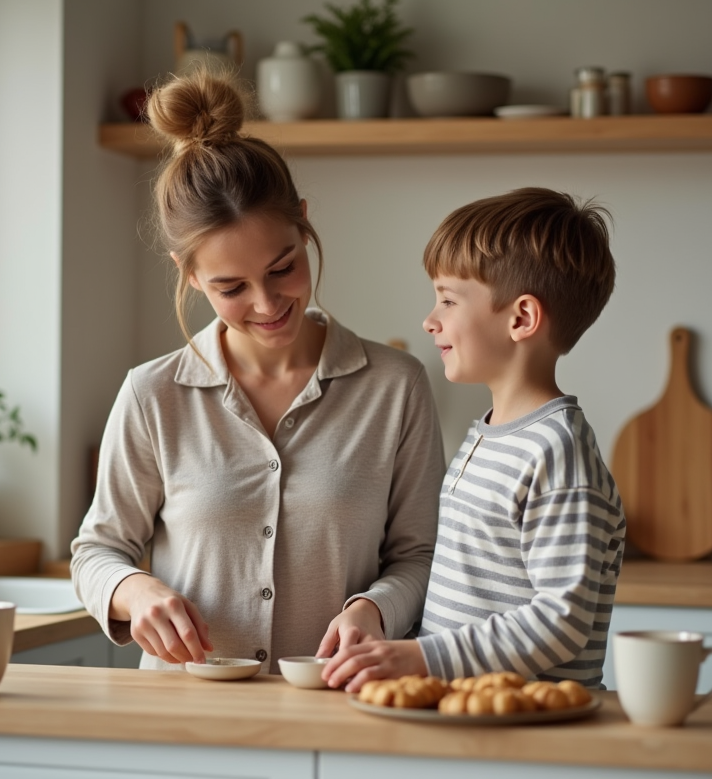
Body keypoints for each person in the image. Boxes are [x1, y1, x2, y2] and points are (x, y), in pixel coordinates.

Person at [69, 70, 444, 674]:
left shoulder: (395, 387)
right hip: (185, 724)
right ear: (188, 274)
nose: (267, 305)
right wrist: (131, 591)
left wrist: (374, 609)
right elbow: (98, 550)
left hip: (339, 709)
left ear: (302, 222)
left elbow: (420, 555)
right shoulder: (152, 394)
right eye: (230, 286)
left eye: (282, 268)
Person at [322, 187, 627, 691]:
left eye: (447, 299)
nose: (430, 319)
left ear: (521, 318)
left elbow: (562, 620)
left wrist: (420, 659)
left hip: (531, 735)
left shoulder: (558, 454)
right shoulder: (488, 435)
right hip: (472, 718)